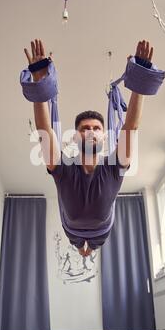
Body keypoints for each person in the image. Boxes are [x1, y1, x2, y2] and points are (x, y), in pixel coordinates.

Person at [24, 38, 154, 256]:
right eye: (85, 128)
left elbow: (130, 126)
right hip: (72, 229)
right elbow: (45, 132)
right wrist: (39, 83)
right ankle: (81, 248)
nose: (91, 131)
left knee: (93, 247)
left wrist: (139, 84)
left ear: (103, 136)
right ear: (75, 137)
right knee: (78, 245)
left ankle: (89, 249)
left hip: (102, 230)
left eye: (96, 128)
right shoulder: (63, 167)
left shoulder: (114, 166)